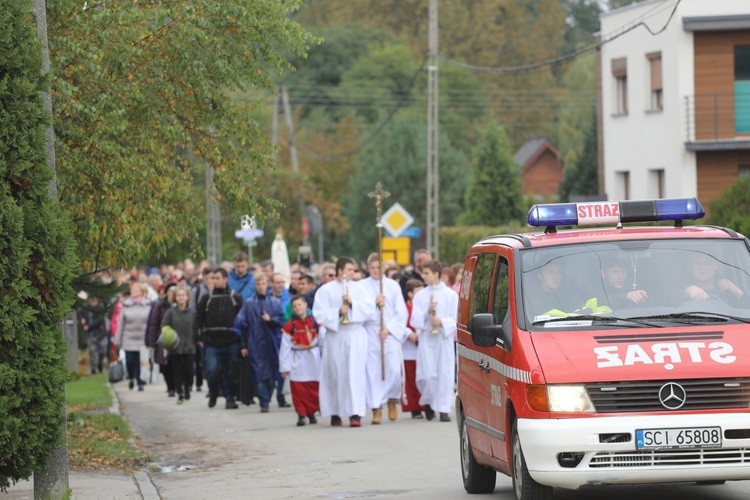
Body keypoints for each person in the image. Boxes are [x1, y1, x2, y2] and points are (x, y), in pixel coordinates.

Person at [313, 257, 376, 427]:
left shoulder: (359, 289)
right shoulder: (325, 290)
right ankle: (335, 412)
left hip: (355, 334)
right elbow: (319, 313)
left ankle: (355, 413)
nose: (352, 273)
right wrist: (338, 312)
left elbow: (370, 309)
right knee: (334, 373)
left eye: (353, 270)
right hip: (336, 334)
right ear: (340, 271)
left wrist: (353, 304)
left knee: (354, 374)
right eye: (349, 269)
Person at [361, 253, 408, 424]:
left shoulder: (392, 286)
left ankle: (391, 399)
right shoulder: (361, 286)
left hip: (389, 332)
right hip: (370, 332)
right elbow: (359, 310)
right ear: (368, 268)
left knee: (394, 370)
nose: (375, 271)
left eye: (378, 267)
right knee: (373, 371)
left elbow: (400, 312)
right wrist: (374, 302)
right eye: (372, 268)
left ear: (383, 268)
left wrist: (388, 329)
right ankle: (376, 408)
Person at [410, 260, 458, 422]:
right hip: (427, 339)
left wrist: (442, 322)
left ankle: (444, 408)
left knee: (445, 373)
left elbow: (456, 318)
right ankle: (429, 402)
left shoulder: (451, 295)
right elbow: (414, 320)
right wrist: (426, 313)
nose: (423, 276)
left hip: (443, 339)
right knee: (427, 374)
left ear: (436, 274)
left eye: (426, 273)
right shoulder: (420, 295)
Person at [234, 272, 286, 412]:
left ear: (267, 284)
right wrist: (244, 344)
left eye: (263, 283)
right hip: (255, 343)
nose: (261, 286)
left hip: (271, 343)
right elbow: (242, 324)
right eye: (258, 284)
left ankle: (267, 396)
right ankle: (264, 401)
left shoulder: (274, 303)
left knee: (270, 375)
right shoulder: (249, 304)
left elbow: (281, 322)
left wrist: (271, 320)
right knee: (258, 373)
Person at [194, 267, 243, 410]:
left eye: (217, 278)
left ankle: (230, 398)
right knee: (212, 370)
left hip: (231, 340)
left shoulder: (235, 297)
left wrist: (243, 341)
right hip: (212, 341)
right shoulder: (207, 298)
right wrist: (197, 336)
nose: (214, 281)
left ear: (225, 279)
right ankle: (214, 391)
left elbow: (242, 319)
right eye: (212, 278)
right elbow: (198, 318)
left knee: (230, 370)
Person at [280, 295, 322, 426]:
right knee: (298, 389)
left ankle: (312, 412)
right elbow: (285, 347)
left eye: (299, 305)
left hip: (313, 360)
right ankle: (301, 414)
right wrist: (284, 367)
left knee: (313, 388)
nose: (298, 308)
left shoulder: (316, 322)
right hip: (297, 359)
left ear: (305, 305)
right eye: (295, 306)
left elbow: (323, 341)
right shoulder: (289, 326)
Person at [113, 282, 152, 391]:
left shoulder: (148, 304)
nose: (133, 292)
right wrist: (117, 340)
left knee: (141, 362)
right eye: (132, 290)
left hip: (143, 339)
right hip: (128, 338)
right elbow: (120, 324)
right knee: (130, 361)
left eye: (136, 290)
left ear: (142, 292)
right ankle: (131, 377)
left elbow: (152, 322)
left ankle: (140, 382)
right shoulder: (126, 305)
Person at [161, 285, 196, 404]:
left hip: (189, 345)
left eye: (183, 295)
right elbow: (164, 326)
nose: (181, 297)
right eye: (178, 295)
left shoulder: (192, 312)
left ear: (187, 297)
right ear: (175, 298)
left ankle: (188, 387)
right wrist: (168, 336)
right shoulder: (170, 312)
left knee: (189, 370)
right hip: (175, 346)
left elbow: (197, 327)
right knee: (177, 370)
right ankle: (179, 392)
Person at [146, 283, 176, 396]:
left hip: (178, 339)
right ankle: (170, 386)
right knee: (165, 365)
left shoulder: (182, 305)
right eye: (170, 291)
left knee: (177, 363)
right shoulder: (160, 305)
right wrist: (151, 341)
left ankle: (177, 386)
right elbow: (153, 323)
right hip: (163, 339)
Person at [401, 279, 426, 419]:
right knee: (411, 378)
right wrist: (409, 333)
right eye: (418, 292)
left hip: (424, 344)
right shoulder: (405, 307)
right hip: (409, 347)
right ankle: (414, 407)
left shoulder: (424, 306)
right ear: (410, 293)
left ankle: (427, 404)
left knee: (424, 376)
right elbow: (400, 322)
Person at [80, 295, 109, 374]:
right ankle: (93, 368)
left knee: (102, 350)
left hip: (100, 332)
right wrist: (82, 318)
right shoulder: (86, 307)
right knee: (92, 350)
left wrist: (88, 326)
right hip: (90, 333)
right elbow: (80, 313)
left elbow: (100, 320)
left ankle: (100, 363)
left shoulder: (101, 307)